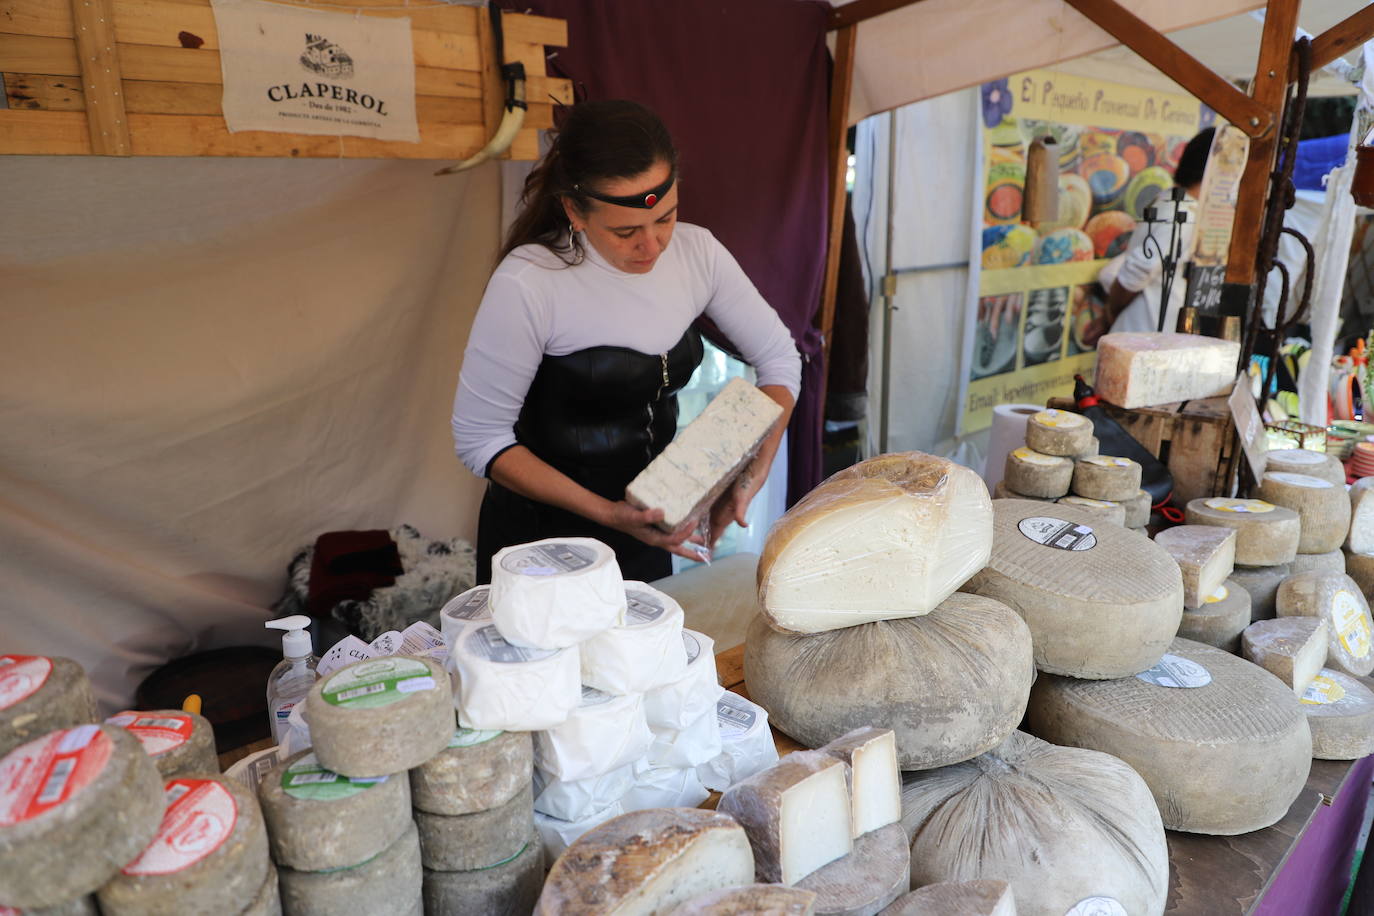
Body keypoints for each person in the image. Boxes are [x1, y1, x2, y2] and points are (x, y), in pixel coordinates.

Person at [451, 100, 801, 584]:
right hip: (539, 548)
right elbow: (480, 440)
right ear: (574, 210)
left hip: (648, 533)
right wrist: (608, 513)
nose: (653, 245)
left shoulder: (699, 254)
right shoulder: (529, 283)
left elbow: (780, 359)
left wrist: (749, 471)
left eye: (666, 218)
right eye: (625, 231)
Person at [1087, 127, 1215, 342]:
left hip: (1151, 338)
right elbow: (1137, 272)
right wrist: (1111, 313)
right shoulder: (1181, 213)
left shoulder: (1177, 203)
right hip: (1146, 339)